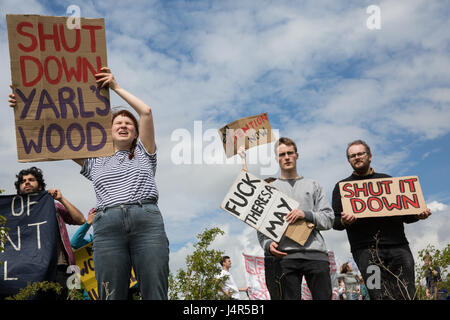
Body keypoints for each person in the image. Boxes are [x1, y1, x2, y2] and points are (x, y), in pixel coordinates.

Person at [76, 67, 169, 300]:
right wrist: (26, 111)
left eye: (129, 123)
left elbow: (146, 112)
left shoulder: (144, 152)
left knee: (155, 292)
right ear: (109, 131)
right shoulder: (94, 161)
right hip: (107, 228)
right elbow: (53, 138)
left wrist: (115, 87)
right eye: (118, 122)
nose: (124, 125)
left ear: (137, 132)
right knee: (111, 294)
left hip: (146, 221)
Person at [332, 139, 432, 300]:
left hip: (399, 249)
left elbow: (406, 215)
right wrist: (345, 221)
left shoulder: (388, 181)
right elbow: (335, 222)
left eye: (360, 154)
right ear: (349, 160)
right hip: (366, 253)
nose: (357, 157)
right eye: (352, 156)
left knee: (406, 292)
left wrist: (418, 215)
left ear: (369, 156)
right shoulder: (342, 187)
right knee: (377, 293)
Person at [257, 137, 334, 300]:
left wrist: (306, 214)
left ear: (297, 155)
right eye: (282, 154)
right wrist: (268, 244)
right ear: (277, 159)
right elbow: (260, 226)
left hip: (316, 254)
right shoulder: (270, 189)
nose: (286, 157)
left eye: (290, 153)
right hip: (285, 257)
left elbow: (329, 219)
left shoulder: (313, 185)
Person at [14, 167, 85, 299]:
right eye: (23, 181)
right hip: (27, 267)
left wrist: (61, 199)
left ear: (40, 186)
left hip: (57, 265)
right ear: (19, 188)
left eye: (31, 180)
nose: (27, 183)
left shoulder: (53, 206)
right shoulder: (15, 211)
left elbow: (80, 220)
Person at [238, 147, 282, 299]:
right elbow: (246, 183)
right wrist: (243, 159)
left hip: (289, 255)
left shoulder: (289, 208)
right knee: (274, 292)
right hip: (270, 256)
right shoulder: (259, 210)